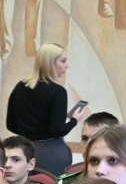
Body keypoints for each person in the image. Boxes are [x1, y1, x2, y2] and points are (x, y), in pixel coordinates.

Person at [6, 43, 89, 176]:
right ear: (50, 63)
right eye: (63, 61)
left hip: (23, 151)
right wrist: (74, 120)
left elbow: (11, 124)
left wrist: (30, 132)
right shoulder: (58, 92)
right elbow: (56, 131)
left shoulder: (20, 87)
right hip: (50, 154)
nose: (67, 65)